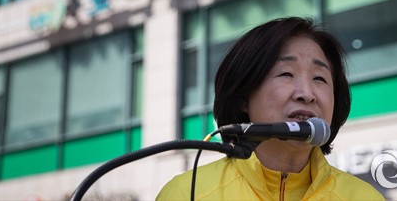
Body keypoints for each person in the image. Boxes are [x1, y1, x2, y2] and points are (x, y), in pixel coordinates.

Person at [156, 16, 385, 200]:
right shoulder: (187, 193)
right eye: (286, 74)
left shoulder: (364, 197)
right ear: (244, 96)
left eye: (319, 78)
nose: (306, 94)